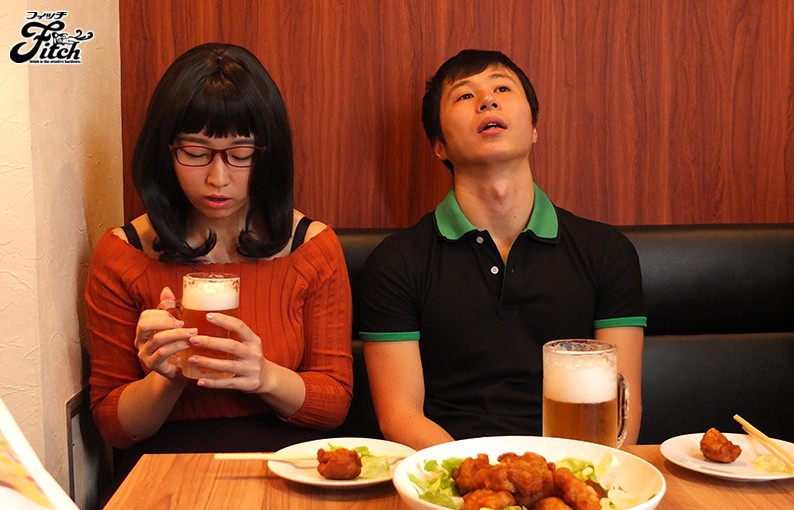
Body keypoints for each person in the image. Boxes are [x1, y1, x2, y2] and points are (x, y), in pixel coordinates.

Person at [358, 49, 646, 450]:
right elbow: (401, 416)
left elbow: (620, 412)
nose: (487, 101)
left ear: (534, 128)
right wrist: (475, 478)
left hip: (575, 473)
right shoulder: (396, 263)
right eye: (464, 95)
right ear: (439, 145)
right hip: (449, 470)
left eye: (502, 88)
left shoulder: (607, 252)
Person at [85, 43, 353, 473]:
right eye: (195, 152)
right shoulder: (124, 254)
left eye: (241, 155)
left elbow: (335, 404)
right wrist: (169, 377)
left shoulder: (311, 248)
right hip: (164, 470)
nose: (218, 178)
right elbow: (113, 426)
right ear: (166, 150)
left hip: (287, 464)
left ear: (268, 155)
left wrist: (265, 376)